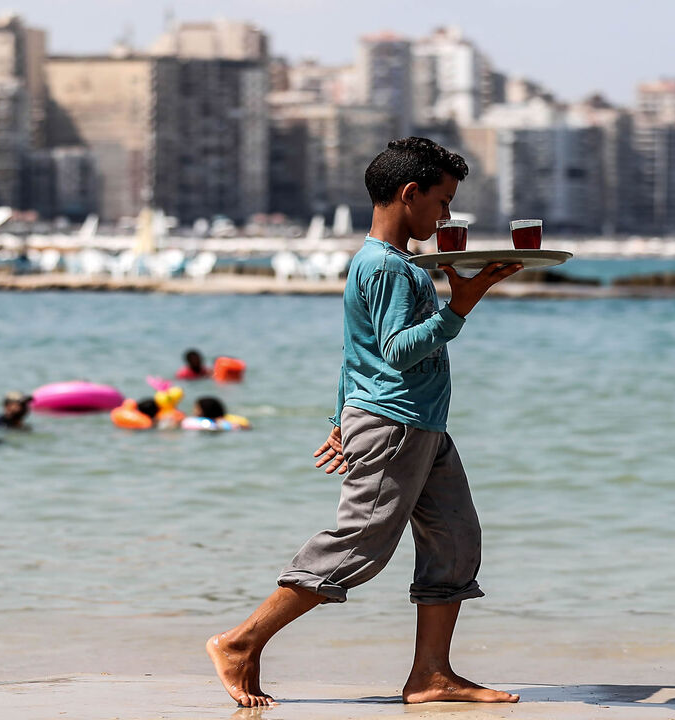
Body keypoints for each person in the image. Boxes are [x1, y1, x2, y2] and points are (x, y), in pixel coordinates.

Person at [206, 137, 522, 707]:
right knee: (359, 545)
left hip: (418, 424)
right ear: (410, 193)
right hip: (395, 424)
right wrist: (460, 307)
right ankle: (239, 642)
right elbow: (398, 352)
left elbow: (358, 353)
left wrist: (338, 417)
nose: (447, 216)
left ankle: (430, 675)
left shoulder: (396, 264)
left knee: (454, 539)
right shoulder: (386, 267)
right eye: (443, 202)